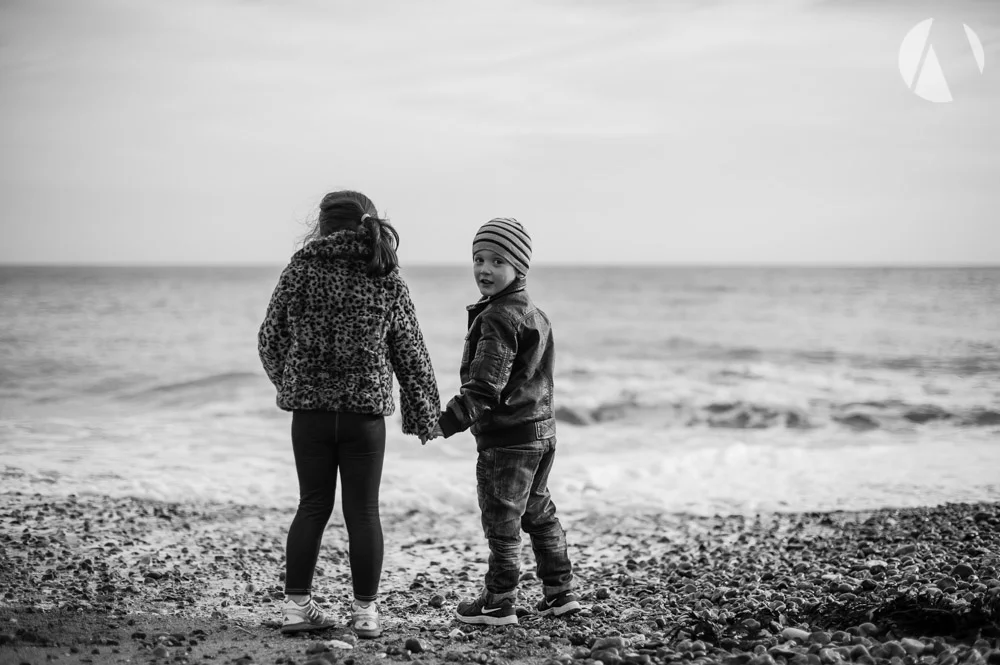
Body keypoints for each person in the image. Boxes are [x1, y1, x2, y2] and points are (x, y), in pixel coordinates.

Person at [258, 190, 440, 636]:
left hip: (311, 415)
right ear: (369, 223)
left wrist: (292, 382)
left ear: (320, 226)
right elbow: (410, 351)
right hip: (364, 418)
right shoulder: (384, 273)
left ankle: (298, 607)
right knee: (363, 512)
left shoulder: (300, 270)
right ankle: (366, 615)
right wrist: (424, 413)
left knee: (312, 505)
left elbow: (269, 339)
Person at [432, 217, 581, 625]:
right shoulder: (537, 314)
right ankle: (559, 593)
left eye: (497, 260)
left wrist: (445, 421)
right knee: (538, 511)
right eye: (478, 259)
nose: (484, 269)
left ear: (519, 267)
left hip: (508, 439)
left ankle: (498, 601)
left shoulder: (498, 317)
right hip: (541, 431)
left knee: (503, 520)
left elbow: (485, 387)